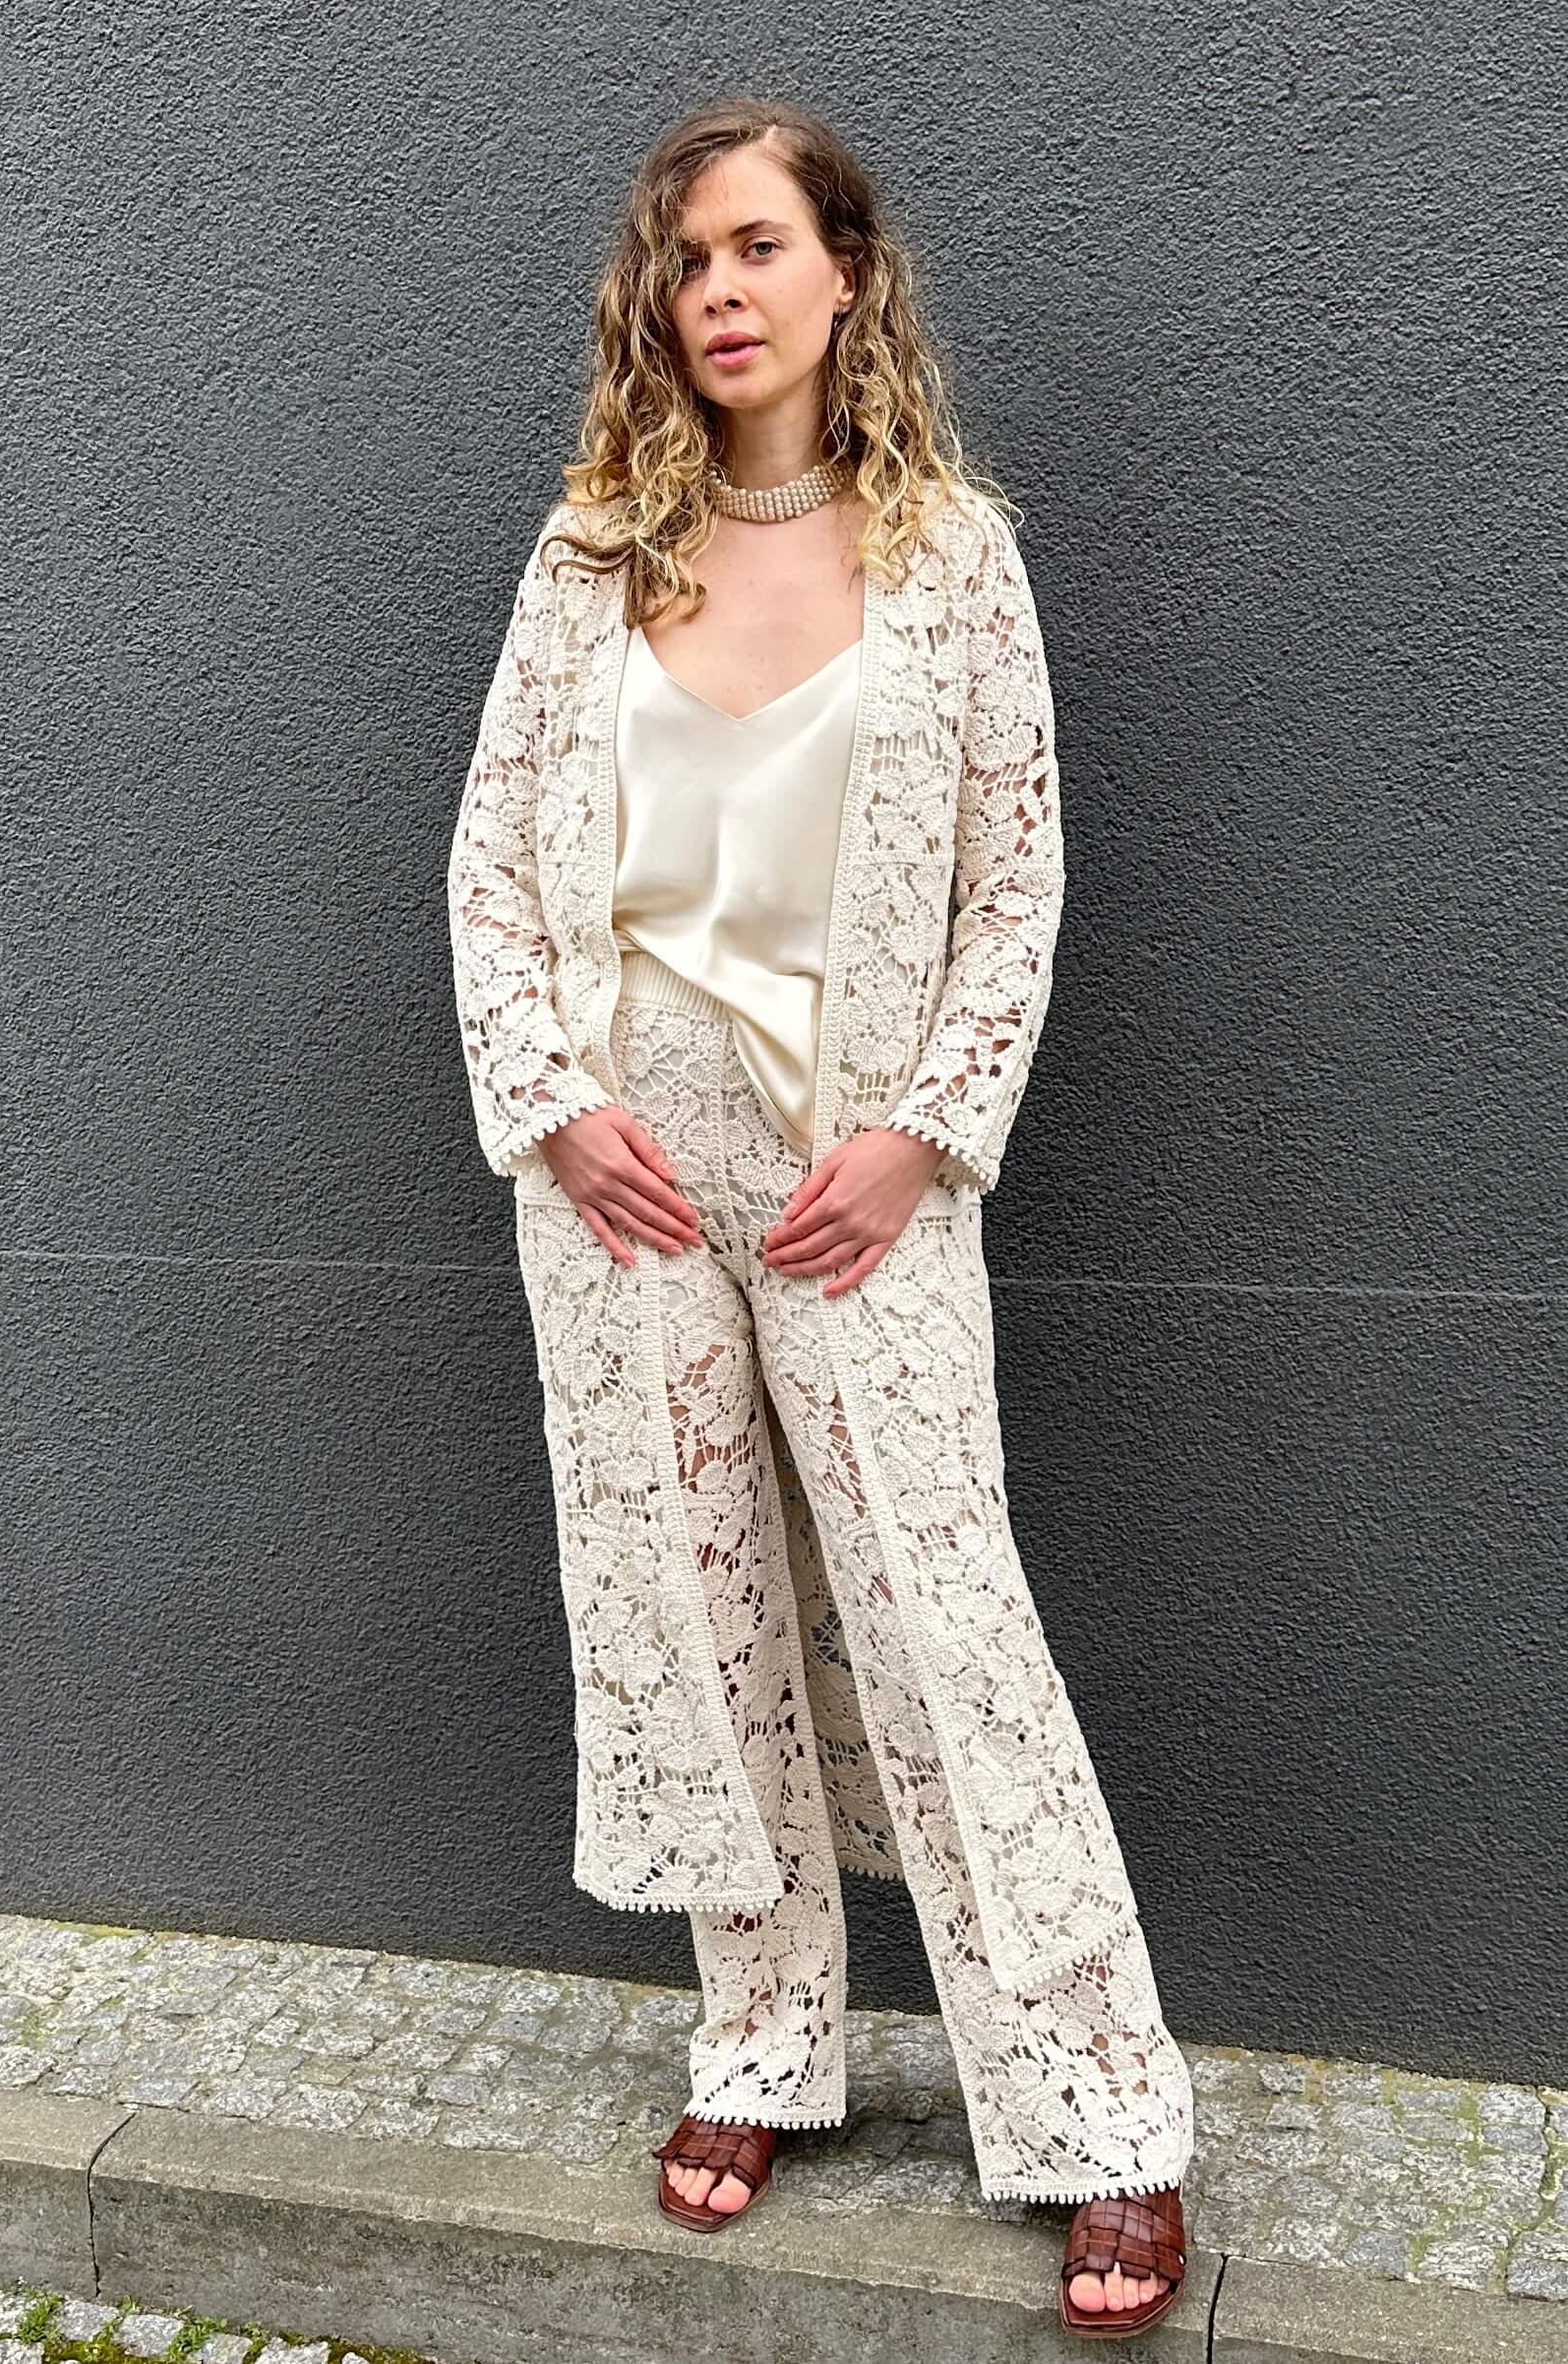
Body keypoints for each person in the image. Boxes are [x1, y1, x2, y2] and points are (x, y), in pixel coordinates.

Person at [447, 95, 1194, 2338]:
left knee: (944, 1620)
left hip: (857, 1187)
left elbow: (1016, 890)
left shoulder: (952, 555)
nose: (720, 291)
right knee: (696, 1623)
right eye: (686, 259)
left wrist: (923, 1137)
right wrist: (558, 1110)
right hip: (622, 1189)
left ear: (843, 272)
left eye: (759, 245)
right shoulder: (587, 556)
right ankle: (761, 2043)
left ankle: (1099, 2111)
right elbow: (489, 867)